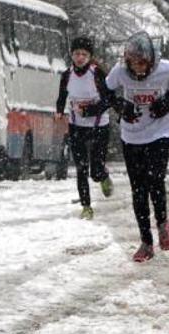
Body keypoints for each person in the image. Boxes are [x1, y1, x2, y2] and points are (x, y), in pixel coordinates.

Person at [88, 31, 169, 262]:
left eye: (142, 63)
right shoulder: (120, 71)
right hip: (131, 136)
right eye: (133, 63)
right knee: (138, 189)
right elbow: (105, 89)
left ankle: (162, 222)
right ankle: (146, 242)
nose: (138, 69)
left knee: (155, 180)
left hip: (160, 133)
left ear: (151, 61)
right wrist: (121, 105)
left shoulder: (166, 68)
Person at [55, 36, 114, 220]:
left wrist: (89, 110)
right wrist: (58, 111)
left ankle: (103, 176)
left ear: (90, 56)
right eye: (76, 53)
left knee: (95, 171)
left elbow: (109, 100)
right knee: (81, 167)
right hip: (76, 126)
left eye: (84, 54)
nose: (80, 57)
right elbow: (62, 96)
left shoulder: (97, 74)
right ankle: (86, 207)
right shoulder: (67, 75)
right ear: (72, 55)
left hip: (99, 126)